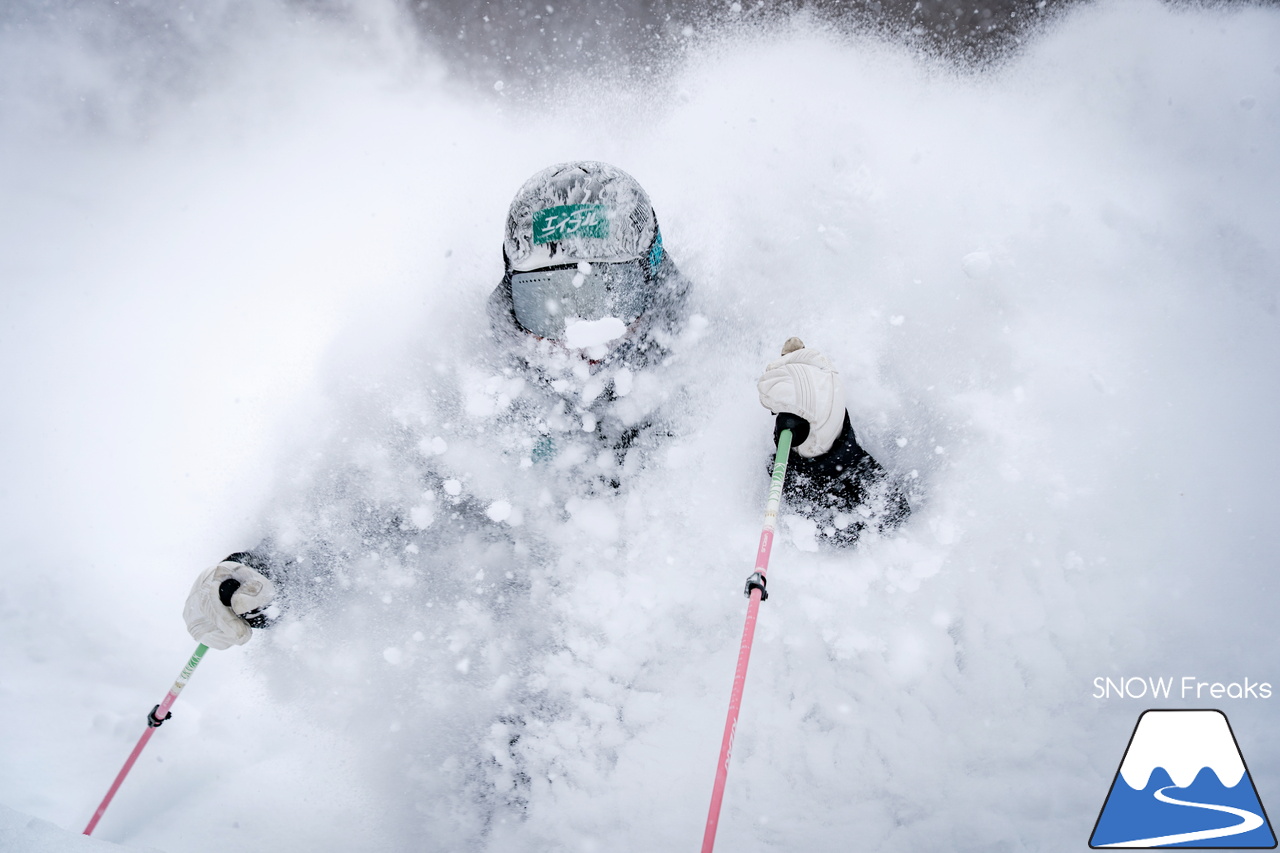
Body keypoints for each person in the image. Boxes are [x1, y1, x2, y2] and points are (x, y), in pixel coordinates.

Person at [183, 160, 909, 652]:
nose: (578, 335)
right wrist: (267, 573)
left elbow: (874, 540)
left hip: (705, 659)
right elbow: (372, 510)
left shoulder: (727, 367)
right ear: (508, 293)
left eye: (604, 297)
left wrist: (826, 449)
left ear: (653, 280)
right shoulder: (473, 389)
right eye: (546, 301)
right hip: (553, 663)